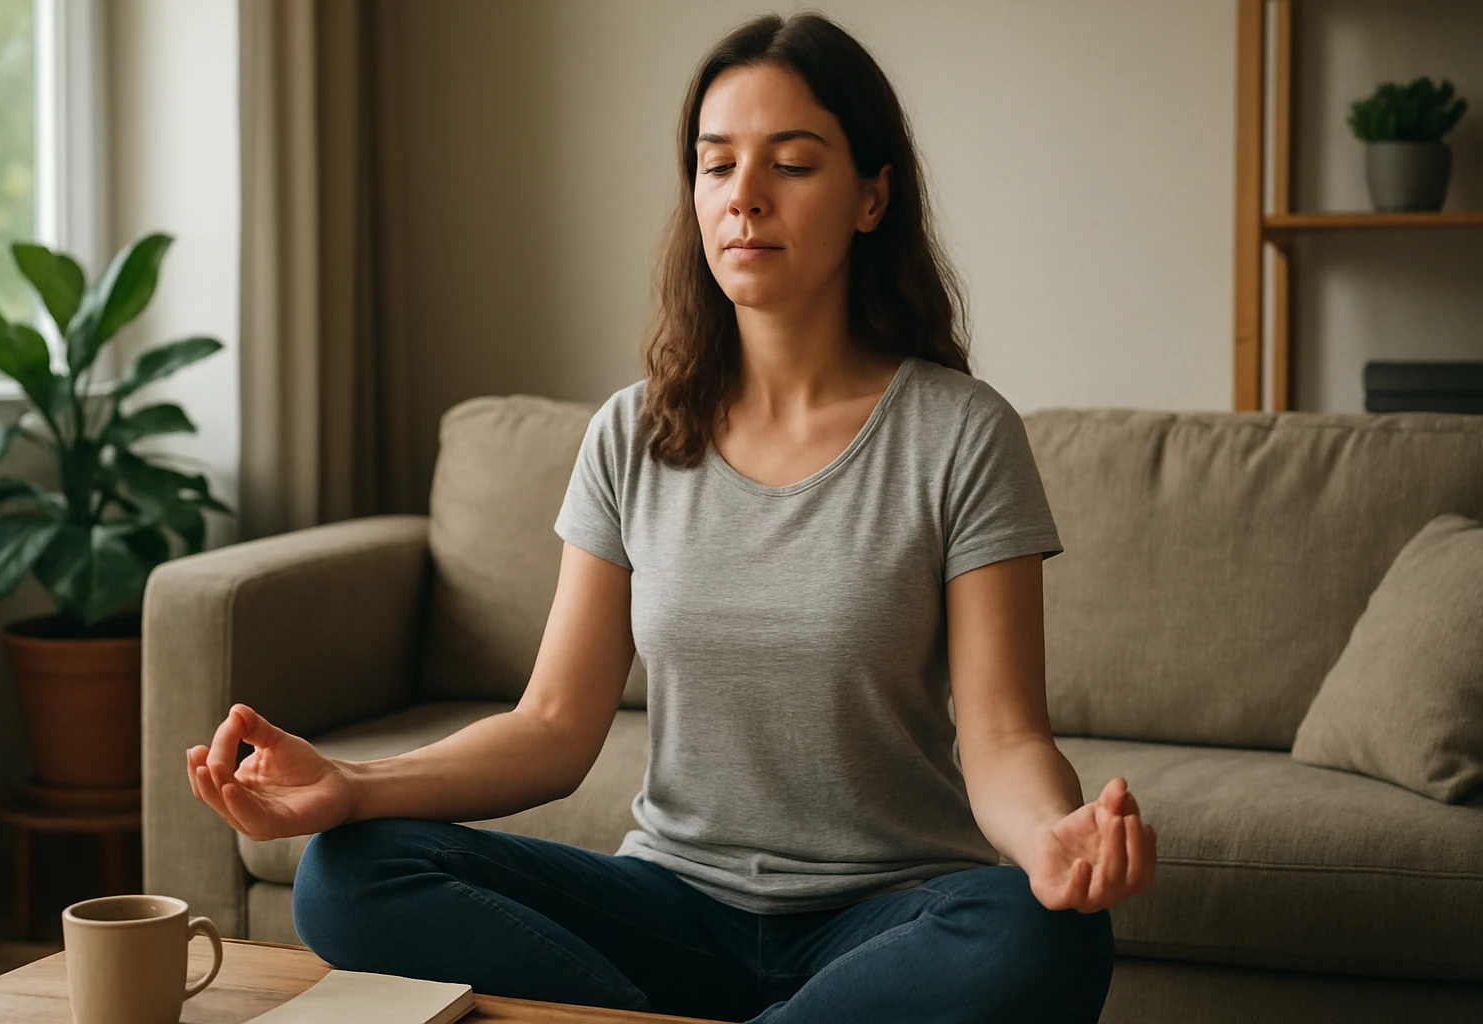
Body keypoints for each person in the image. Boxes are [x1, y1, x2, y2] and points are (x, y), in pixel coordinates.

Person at [186, 11, 1155, 1022]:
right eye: (716, 164)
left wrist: (1052, 834)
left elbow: (1001, 736)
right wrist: (351, 782)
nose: (744, 196)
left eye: (790, 164)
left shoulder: (960, 433)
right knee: (348, 872)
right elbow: (554, 725)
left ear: (872, 195)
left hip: (889, 915)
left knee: (1048, 930)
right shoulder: (632, 434)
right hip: (671, 906)